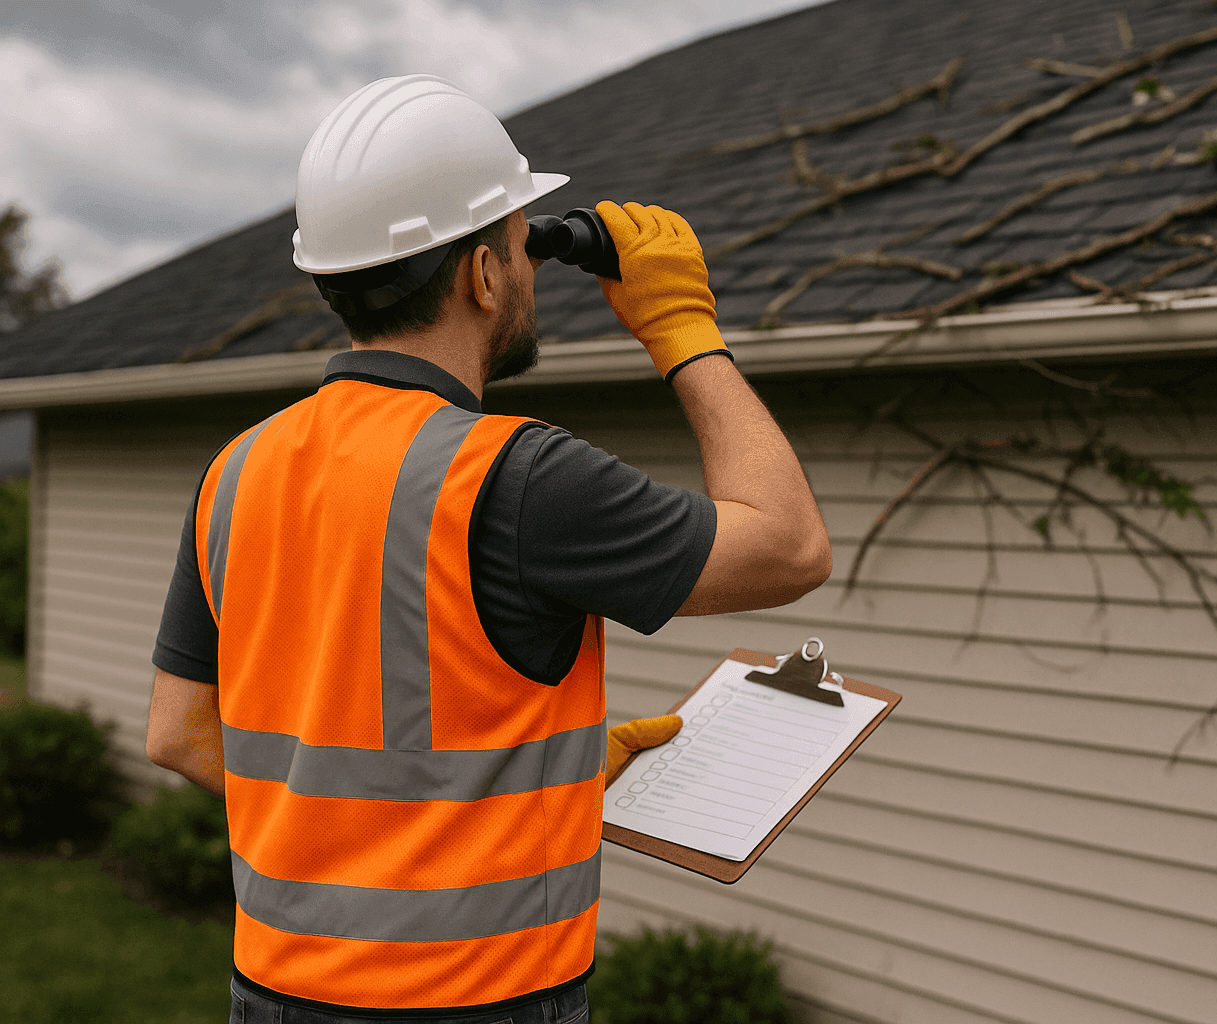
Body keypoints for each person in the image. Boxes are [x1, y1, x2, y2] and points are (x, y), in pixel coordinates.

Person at [143, 75, 830, 1024]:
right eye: (522, 242)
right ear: (485, 275)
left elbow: (179, 734)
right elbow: (791, 545)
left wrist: (512, 792)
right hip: (474, 1002)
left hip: (269, 992)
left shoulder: (237, 470)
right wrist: (682, 327)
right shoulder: (517, 477)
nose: (531, 267)